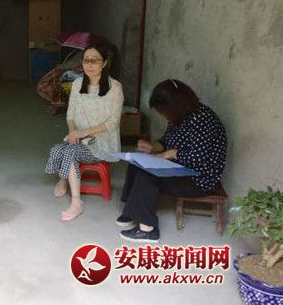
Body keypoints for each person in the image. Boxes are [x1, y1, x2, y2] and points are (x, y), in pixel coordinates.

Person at [117, 79, 227, 243]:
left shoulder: (203, 120)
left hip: (199, 178)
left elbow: (199, 158)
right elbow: (168, 140)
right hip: (181, 168)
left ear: (175, 105)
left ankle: (148, 230)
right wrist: (152, 147)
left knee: (148, 175)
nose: (164, 115)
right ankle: (131, 211)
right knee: (136, 164)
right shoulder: (179, 116)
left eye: (164, 112)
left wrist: (170, 154)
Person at [45, 43, 124, 221]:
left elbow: (113, 122)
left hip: (101, 143)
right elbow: (70, 114)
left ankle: (76, 202)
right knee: (56, 149)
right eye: (86, 60)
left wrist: (83, 133)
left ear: (104, 63)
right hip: (78, 139)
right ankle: (64, 179)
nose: (89, 65)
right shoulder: (77, 84)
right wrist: (73, 132)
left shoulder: (114, 87)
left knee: (70, 152)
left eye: (94, 61)